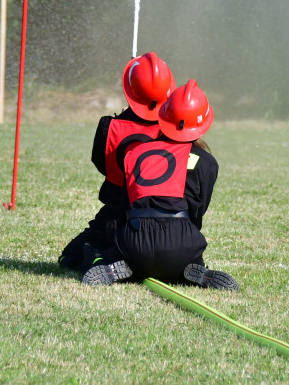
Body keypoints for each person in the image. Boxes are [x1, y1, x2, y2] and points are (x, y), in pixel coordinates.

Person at [81, 79, 238, 291]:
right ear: (202, 125)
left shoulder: (135, 154)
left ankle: (113, 265)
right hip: (183, 243)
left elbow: (129, 206)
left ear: (163, 117)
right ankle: (191, 269)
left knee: (92, 254)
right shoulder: (207, 163)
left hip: (135, 241)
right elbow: (198, 212)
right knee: (183, 259)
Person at [57, 51, 176, 273]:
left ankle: (106, 257)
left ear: (130, 91)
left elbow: (102, 164)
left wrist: (121, 120)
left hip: (114, 219)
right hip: (160, 221)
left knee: (69, 259)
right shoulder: (174, 132)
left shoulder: (108, 126)